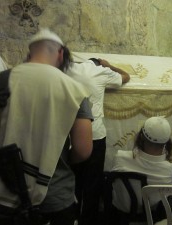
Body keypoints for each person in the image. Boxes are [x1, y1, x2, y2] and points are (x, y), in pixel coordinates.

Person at [0, 28, 93, 225]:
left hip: (5, 190)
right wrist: (64, 160)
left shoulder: (3, 79)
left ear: (30, 53)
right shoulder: (74, 90)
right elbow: (83, 150)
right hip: (55, 193)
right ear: (60, 53)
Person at [65, 57, 130, 225]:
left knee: (72, 180)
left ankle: (71, 217)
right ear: (98, 63)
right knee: (92, 183)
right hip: (94, 134)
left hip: (68, 134)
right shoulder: (100, 70)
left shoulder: (68, 67)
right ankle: (88, 220)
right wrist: (109, 65)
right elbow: (126, 76)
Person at [111, 116, 172, 222]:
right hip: (157, 217)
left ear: (141, 137)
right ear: (167, 142)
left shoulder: (120, 158)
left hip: (122, 213)